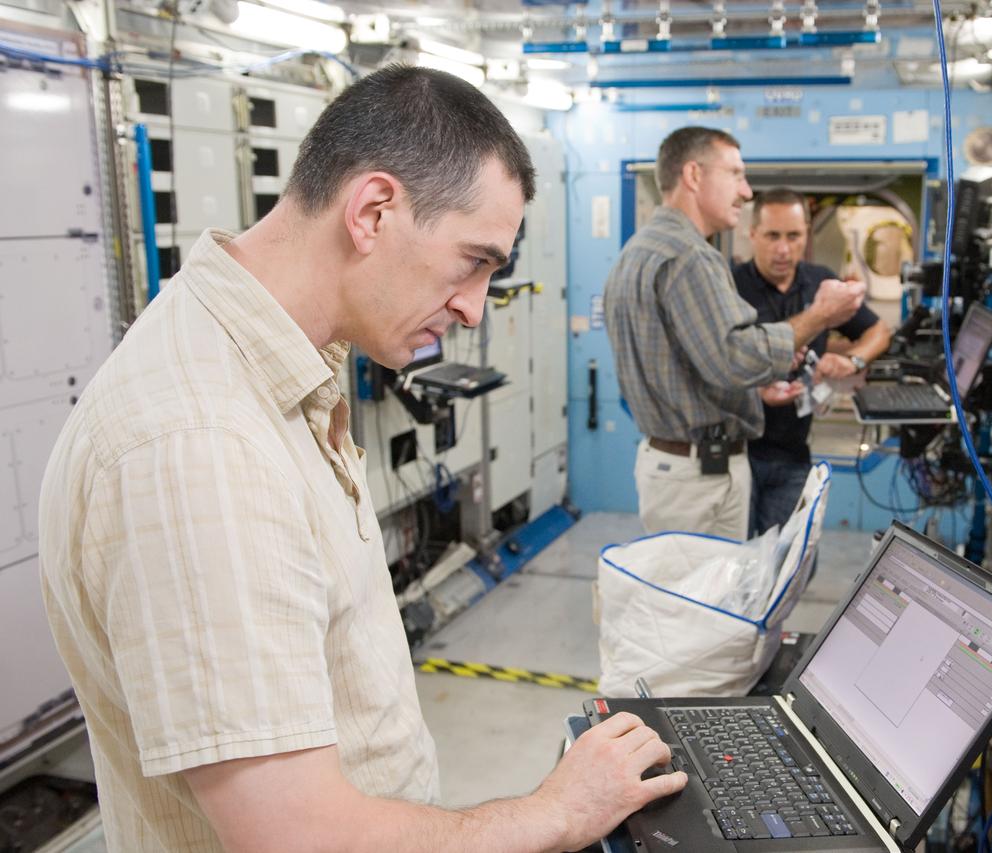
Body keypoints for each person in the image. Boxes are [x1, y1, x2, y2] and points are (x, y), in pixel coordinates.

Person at [38, 65, 683, 852]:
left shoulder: (282, 370)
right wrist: (557, 810)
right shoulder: (198, 444)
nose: (476, 306)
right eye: (474, 261)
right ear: (374, 211)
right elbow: (296, 834)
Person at [603, 127, 865, 540]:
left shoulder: (640, 250)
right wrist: (820, 315)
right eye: (736, 174)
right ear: (693, 175)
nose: (745, 191)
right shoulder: (689, 256)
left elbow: (691, 365)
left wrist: (754, 389)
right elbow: (735, 358)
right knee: (705, 600)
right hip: (698, 478)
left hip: (672, 466)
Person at [734, 188, 892, 536]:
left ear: (806, 234)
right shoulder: (730, 287)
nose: (783, 249)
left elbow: (879, 332)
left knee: (788, 562)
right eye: (772, 236)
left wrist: (850, 361)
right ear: (753, 234)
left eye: (794, 236)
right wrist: (754, 391)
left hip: (792, 453)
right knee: (738, 566)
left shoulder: (821, 283)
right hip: (737, 455)